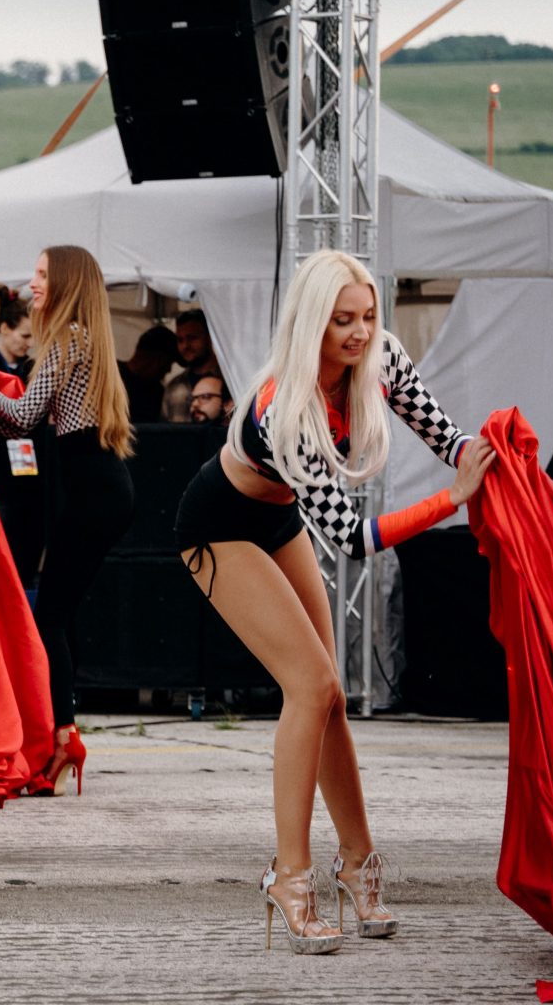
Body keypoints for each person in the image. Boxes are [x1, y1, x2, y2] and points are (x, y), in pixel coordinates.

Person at [171, 249, 495, 954]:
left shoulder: (378, 359)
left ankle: (357, 861)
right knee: (309, 683)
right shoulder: (280, 409)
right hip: (217, 526)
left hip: (275, 516)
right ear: (313, 322)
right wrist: (453, 499)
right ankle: (289, 876)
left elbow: (445, 433)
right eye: (343, 320)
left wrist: (487, 457)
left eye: (369, 316)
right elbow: (350, 536)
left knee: (332, 699)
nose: (359, 332)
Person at [0, 246, 135, 795]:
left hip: (92, 492)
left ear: (64, 282)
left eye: (41, 274)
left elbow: (21, 417)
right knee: (56, 616)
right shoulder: (83, 341)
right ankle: (63, 735)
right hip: (101, 489)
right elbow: (29, 418)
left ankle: (63, 735)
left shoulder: (66, 339)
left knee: (52, 617)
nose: (31, 282)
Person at [0, 286, 44, 591]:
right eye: (24, 336)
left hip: (31, 480)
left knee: (28, 556)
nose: (29, 344)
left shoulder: (34, 369)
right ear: (4, 329)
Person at [163, 309, 222, 422]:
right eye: (180, 340)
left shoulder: (229, 381)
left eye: (192, 338)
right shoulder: (174, 386)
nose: (185, 346)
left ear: (210, 337)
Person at [117, 325, 179, 425]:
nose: (169, 370)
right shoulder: (111, 377)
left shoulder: (157, 391)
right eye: (168, 363)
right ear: (158, 360)